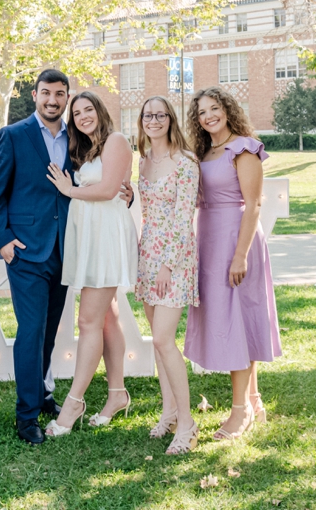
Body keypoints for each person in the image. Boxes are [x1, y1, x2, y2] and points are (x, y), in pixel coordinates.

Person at [183, 87, 281, 441]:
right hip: (209, 241)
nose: (208, 116)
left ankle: (239, 413)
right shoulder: (203, 152)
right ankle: (253, 400)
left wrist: (240, 255)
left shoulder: (245, 148)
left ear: (227, 110)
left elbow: (253, 204)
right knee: (229, 320)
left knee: (240, 321)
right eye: (201, 112)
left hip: (237, 242)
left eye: (214, 109)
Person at [0, 69, 75, 444]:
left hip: (66, 249)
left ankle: (44, 393)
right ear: (35, 95)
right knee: (32, 330)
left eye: (60, 94)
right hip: (25, 251)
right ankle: (26, 417)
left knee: (50, 331)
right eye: (47, 93)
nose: (53, 100)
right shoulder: (14, 135)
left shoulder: (77, 137)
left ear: (67, 97)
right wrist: (3, 241)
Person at [43, 91, 139, 436]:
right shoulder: (83, 150)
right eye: (77, 112)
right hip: (90, 235)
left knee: (88, 320)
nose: (83, 116)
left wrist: (69, 191)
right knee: (107, 318)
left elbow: (110, 188)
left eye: (88, 110)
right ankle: (117, 394)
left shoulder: (115, 140)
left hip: (107, 236)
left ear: (100, 111)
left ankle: (74, 402)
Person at [135, 95, 200, 455]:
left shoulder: (185, 162)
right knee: (156, 342)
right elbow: (149, 210)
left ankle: (188, 424)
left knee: (163, 339)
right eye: (148, 115)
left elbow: (182, 217)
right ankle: (169, 411)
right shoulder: (144, 161)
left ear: (170, 120)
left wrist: (167, 266)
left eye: (160, 115)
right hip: (147, 255)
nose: (154, 120)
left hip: (173, 260)